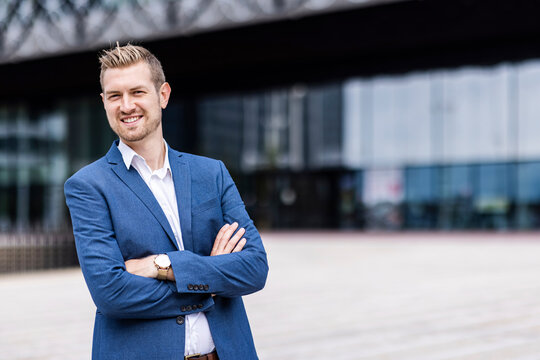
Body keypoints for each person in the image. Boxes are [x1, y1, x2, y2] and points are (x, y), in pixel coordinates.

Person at [64, 44, 268, 360]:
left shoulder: (211, 173)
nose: (126, 105)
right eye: (115, 96)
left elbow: (254, 269)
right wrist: (209, 279)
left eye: (137, 92)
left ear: (163, 95)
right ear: (104, 102)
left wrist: (162, 266)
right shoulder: (88, 186)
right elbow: (111, 293)